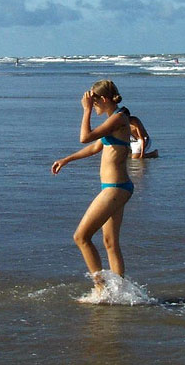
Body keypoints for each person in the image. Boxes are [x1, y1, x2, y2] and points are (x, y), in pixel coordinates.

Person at [51, 79, 133, 289]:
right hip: (114, 188)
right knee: (110, 243)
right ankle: (120, 292)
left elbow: (84, 137)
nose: (94, 106)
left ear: (104, 100)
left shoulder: (119, 118)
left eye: (95, 103)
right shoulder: (113, 120)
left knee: (81, 236)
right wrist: (66, 159)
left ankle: (101, 289)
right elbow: (95, 146)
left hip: (116, 188)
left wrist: (85, 111)